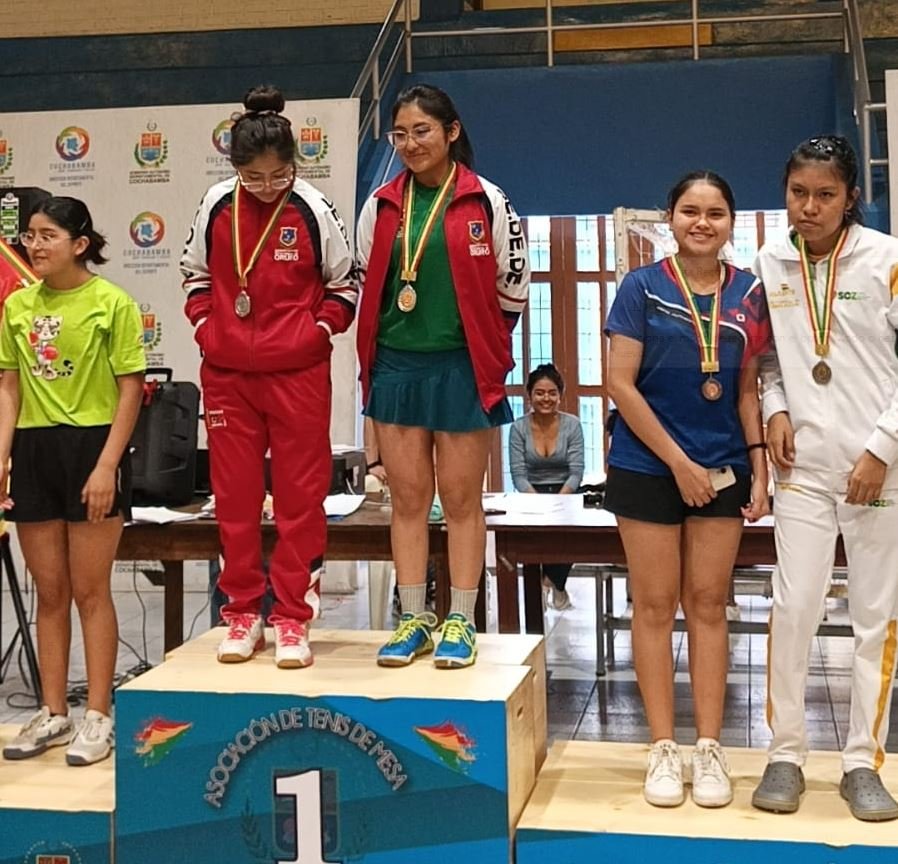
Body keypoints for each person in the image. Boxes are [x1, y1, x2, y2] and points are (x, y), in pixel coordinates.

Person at [604, 171, 771, 808]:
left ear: (731, 222)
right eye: (690, 211)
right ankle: (663, 749)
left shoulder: (749, 294)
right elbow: (620, 384)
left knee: (708, 605)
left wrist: (758, 465)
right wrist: (676, 462)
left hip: (724, 466)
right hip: (649, 467)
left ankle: (709, 749)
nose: (703, 223)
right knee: (653, 606)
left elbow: (746, 387)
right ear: (669, 219)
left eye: (716, 213)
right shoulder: (640, 288)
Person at [180, 85, 357, 669]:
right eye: (253, 178)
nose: (265, 187)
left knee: (300, 500)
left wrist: (316, 334)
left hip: (298, 374)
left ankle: (291, 618)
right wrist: (209, 329)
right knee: (233, 498)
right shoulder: (215, 204)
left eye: (277, 175)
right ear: (234, 168)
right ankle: (240, 614)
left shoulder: (311, 206)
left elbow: (344, 286)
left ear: (293, 165)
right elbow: (194, 276)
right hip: (228, 373)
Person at [356, 83, 529, 669]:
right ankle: (412, 619)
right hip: (398, 365)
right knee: (408, 500)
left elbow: (513, 291)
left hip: (461, 367)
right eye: (399, 134)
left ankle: (460, 618)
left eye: (421, 131)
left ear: (451, 132)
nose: (409, 143)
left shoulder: (488, 202)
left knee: (461, 501)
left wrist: (481, 347)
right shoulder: (380, 202)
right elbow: (365, 283)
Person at [752, 136, 898, 822]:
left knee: (874, 620)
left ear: (850, 199)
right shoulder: (769, 260)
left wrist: (882, 448)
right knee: (794, 609)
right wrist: (777, 409)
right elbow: (773, 360)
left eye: (825, 195)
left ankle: (862, 761)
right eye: (798, 193)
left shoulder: (888, 259)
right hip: (803, 471)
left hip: (881, 473)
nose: (808, 208)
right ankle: (785, 753)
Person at [0, 197, 145, 765]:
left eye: (47, 235)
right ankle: (53, 710)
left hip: (91, 445)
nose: (34, 246)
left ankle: (98, 715)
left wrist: (108, 464)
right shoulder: (16, 307)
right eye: (29, 236)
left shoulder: (112, 303)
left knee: (90, 590)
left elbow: (131, 388)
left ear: (79, 243)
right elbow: (9, 387)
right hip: (35, 448)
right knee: (50, 591)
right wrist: (3, 456)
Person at [509, 362, 584, 610]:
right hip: (531, 496)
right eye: (540, 393)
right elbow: (519, 475)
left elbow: (576, 472)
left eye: (552, 393)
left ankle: (550, 582)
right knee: (531, 541)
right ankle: (549, 587)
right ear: (529, 395)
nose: (546, 398)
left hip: (567, 494)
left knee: (571, 536)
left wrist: (559, 502)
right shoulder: (518, 427)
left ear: (560, 395)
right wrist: (540, 502)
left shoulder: (572, 425)